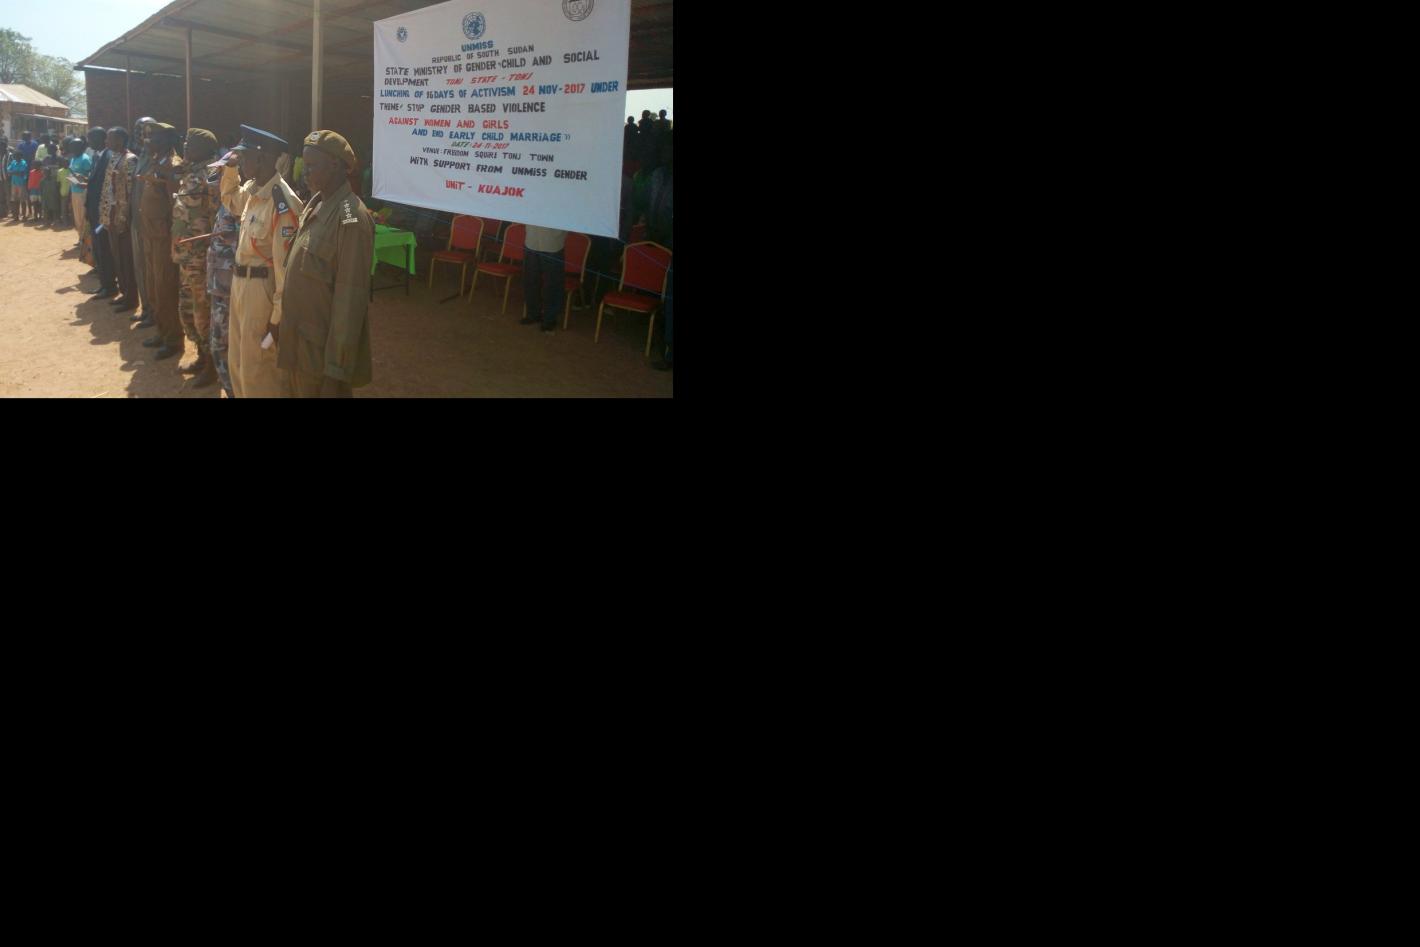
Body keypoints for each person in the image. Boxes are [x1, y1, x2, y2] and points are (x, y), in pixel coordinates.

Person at [277, 130, 374, 397]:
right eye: (304, 164)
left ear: (335, 165)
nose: (304, 172)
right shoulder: (316, 204)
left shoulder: (350, 217)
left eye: (312, 165)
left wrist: (336, 371)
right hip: (296, 344)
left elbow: (350, 300)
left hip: (319, 356)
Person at [228, 125, 303, 398]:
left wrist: (277, 318)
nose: (240, 162)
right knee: (238, 362)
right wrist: (229, 170)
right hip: (240, 285)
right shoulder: (253, 190)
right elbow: (230, 202)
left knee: (259, 368)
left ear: (260, 158)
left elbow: (285, 270)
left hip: (262, 293)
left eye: (244, 157)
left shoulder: (283, 201)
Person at [170, 127, 221, 386]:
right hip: (185, 255)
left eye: (191, 143)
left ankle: (212, 367)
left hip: (201, 258)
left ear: (205, 148)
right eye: (185, 142)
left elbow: (217, 218)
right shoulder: (190, 171)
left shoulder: (212, 175)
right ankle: (201, 355)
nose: (186, 146)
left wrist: (211, 255)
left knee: (204, 312)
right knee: (187, 309)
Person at [135, 123, 183, 359]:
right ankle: (162, 332)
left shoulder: (173, 166)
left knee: (165, 288)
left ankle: (173, 339)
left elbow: (176, 205)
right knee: (154, 286)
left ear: (165, 141)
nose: (147, 141)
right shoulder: (156, 161)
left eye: (152, 137)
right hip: (150, 234)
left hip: (163, 237)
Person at [205, 148, 242, 398]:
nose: (217, 177)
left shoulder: (240, 205)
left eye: (223, 172)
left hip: (231, 290)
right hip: (219, 286)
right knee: (218, 344)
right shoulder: (225, 204)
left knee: (225, 346)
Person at [99, 126, 139, 313]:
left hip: (123, 217)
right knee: (117, 258)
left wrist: (124, 218)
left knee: (126, 259)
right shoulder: (114, 157)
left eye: (110, 138)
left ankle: (131, 298)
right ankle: (124, 293)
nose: (106, 141)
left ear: (120, 140)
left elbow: (131, 193)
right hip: (111, 214)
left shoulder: (130, 160)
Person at [129, 117, 156, 328]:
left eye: (146, 132)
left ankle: (155, 312)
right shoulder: (141, 157)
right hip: (137, 222)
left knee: (153, 272)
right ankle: (147, 308)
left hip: (152, 225)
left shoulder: (158, 159)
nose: (141, 136)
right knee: (140, 268)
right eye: (138, 131)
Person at [84, 128, 117, 297]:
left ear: (100, 138)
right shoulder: (97, 156)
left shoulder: (109, 157)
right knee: (98, 249)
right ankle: (104, 284)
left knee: (105, 249)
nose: (88, 142)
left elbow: (110, 187)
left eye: (91, 138)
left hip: (103, 212)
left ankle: (110, 286)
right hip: (94, 211)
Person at [520, 226, 566, 333]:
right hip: (531, 242)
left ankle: (550, 319)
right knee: (530, 281)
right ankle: (533, 314)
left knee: (552, 284)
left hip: (553, 244)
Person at [68, 138, 94, 262]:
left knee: (83, 216)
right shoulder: (73, 158)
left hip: (82, 192)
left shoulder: (85, 159)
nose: (72, 149)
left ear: (80, 147)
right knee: (77, 217)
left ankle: (84, 240)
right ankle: (80, 238)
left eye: (74, 146)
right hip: (74, 191)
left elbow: (91, 175)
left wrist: (82, 179)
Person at [7, 149, 28, 221]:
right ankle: (16, 215)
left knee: (22, 200)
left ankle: (24, 215)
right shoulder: (13, 162)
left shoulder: (23, 162)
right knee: (15, 200)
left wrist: (13, 172)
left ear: (20, 156)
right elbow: (8, 170)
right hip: (14, 183)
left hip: (21, 184)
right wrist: (15, 172)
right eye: (15, 156)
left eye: (17, 156)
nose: (16, 158)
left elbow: (21, 173)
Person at [40, 157, 61, 225]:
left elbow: (57, 188)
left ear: (50, 173)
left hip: (53, 197)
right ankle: (46, 221)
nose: (46, 174)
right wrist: (42, 197)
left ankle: (55, 221)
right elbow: (41, 189)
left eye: (47, 172)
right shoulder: (42, 181)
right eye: (44, 172)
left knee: (54, 209)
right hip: (45, 197)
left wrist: (57, 196)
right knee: (45, 210)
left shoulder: (54, 180)